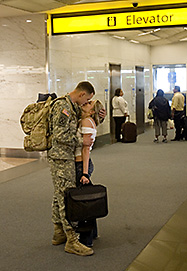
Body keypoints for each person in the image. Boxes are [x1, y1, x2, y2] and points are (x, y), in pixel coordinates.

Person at [47, 81, 105, 256]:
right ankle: (72, 240)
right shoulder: (63, 106)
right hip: (61, 158)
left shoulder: (72, 106)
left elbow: (84, 123)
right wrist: (82, 141)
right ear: (81, 94)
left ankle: (59, 233)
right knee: (66, 197)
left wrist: (100, 117)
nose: (86, 103)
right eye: (87, 99)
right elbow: (60, 135)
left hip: (65, 157)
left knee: (59, 195)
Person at [75, 99, 104, 247]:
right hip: (83, 164)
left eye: (88, 104)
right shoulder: (87, 121)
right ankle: (92, 232)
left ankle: (86, 239)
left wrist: (84, 173)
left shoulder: (86, 122)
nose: (84, 104)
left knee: (82, 202)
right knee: (86, 199)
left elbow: (85, 149)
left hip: (81, 165)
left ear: (92, 111)